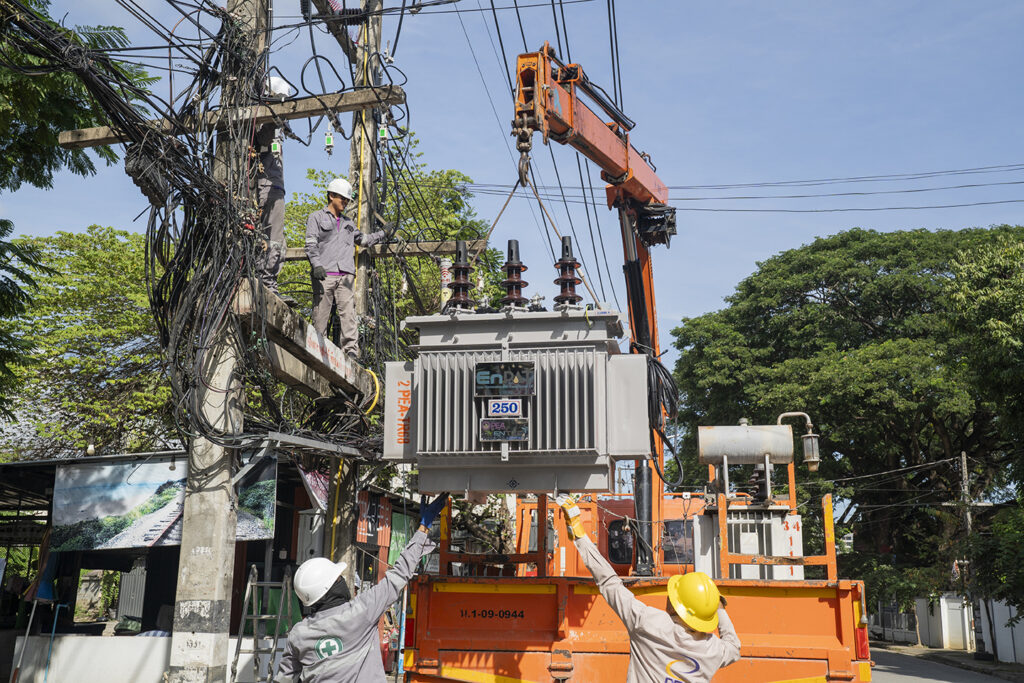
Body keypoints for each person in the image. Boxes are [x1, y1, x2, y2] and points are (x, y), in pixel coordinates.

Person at [556, 494, 741, 683]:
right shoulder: (712, 650)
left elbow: (609, 582)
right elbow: (734, 648)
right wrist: (718, 607)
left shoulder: (649, 623)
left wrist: (579, 535)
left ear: (675, 607)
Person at [275, 493, 448, 683]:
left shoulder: (299, 634)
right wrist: (423, 528)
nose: (342, 580)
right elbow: (399, 574)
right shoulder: (362, 611)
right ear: (330, 588)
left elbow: (284, 679)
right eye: (338, 578)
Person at [305, 177, 395, 356]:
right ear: (331, 196)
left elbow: (364, 240)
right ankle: (318, 350)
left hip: (346, 275)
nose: (345, 203)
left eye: (347, 200)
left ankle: (350, 353)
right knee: (321, 314)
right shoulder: (316, 217)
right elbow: (310, 244)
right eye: (342, 199)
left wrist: (383, 234)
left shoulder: (348, 223)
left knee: (349, 315)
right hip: (324, 274)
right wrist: (316, 265)